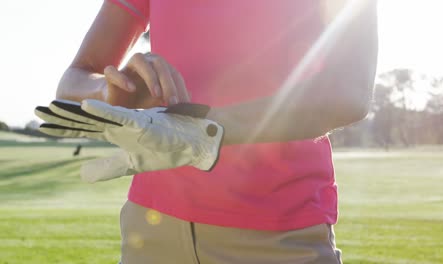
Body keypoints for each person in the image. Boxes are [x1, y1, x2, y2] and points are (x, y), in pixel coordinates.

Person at [55, 0, 378, 263]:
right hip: (151, 229)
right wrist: (115, 90)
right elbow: (73, 81)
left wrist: (202, 131)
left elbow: (349, 92)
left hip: (277, 235)